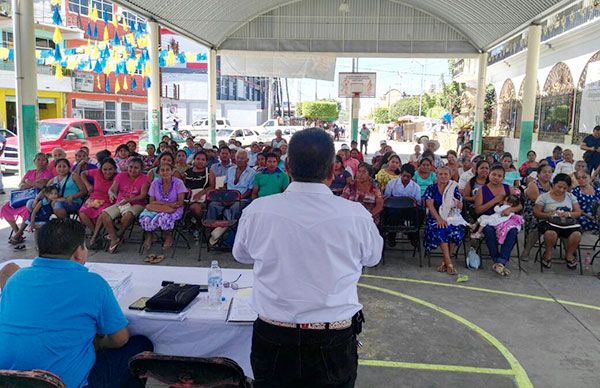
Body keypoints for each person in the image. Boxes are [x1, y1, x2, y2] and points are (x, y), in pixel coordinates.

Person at [233, 128, 382, 387]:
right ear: (332, 171)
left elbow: (242, 255)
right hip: (332, 336)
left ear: (287, 166)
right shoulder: (356, 215)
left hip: (273, 333)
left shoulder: (258, 211)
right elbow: (372, 258)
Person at [0, 219, 153, 387]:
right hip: (64, 384)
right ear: (78, 253)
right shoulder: (93, 283)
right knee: (141, 346)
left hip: (10, 380)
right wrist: (98, 343)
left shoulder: (16, 279)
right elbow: (120, 339)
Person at [474, 165, 522, 276]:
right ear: (489, 174)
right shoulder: (482, 190)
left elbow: (519, 206)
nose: (496, 177)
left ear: (503, 177)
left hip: (505, 220)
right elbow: (478, 210)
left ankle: (500, 262)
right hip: (489, 220)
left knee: (513, 231)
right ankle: (498, 261)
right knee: (489, 231)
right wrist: (494, 201)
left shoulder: (508, 188)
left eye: (499, 176)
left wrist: (511, 209)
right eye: (494, 174)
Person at [99, 158, 149, 254]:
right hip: (121, 203)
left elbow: (142, 195)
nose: (132, 170)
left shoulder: (144, 179)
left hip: (137, 203)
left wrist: (128, 200)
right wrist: (111, 193)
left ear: (141, 169)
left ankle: (119, 234)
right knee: (104, 215)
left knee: (128, 215)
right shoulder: (121, 175)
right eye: (130, 167)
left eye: (136, 168)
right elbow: (112, 189)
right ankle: (114, 238)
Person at [534, 174, 582, 270]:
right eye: (559, 187)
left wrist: (568, 214)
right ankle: (548, 254)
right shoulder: (544, 197)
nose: (561, 190)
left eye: (565, 188)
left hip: (567, 224)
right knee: (551, 233)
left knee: (577, 234)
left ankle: (569, 255)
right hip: (549, 223)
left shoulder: (570, 196)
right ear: (553, 184)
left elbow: (578, 212)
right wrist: (548, 214)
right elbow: (536, 212)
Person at [423, 166, 465, 275]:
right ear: (436, 176)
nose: (443, 176)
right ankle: (449, 263)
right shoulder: (431, 188)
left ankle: (445, 261)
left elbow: (459, 205)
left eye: (445, 174)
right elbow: (430, 206)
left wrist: (459, 204)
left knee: (455, 230)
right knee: (442, 229)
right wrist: (439, 219)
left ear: (450, 176)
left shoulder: (453, 187)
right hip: (434, 217)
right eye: (440, 174)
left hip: (450, 217)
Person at [1, 153, 53, 241]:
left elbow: (43, 187)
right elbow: (21, 185)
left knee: (27, 209)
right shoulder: (30, 172)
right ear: (34, 161)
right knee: (4, 208)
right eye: (38, 159)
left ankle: (18, 234)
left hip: (36, 199)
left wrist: (28, 182)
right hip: (23, 197)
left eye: (43, 160)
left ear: (47, 162)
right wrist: (33, 184)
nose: (41, 162)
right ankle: (17, 231)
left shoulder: (48, 174)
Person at [140, 163, 188, 255]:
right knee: (145, 217)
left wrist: (165, 205)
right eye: (162, 170)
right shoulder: (155, 183)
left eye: (167, 170)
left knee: (164, 217)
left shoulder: (178, 183)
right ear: (158, 172)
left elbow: (180, 203)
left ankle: (168, 236)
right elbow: (151, 202)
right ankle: (149, 236)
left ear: (172, 171)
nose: (165, 172)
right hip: (158, 207)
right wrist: (167, 204)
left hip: (174, 209)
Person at [78, 158, 118, 248]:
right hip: (94, 198)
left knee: (102, 214)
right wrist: (88, 185)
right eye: (105, 169)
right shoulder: (96, 173)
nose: (107, 172)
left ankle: (94, 237)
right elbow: (83, 173)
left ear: (114, 169)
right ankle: (97, 233)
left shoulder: (117, 176)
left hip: (109, 200)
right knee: (82, 212)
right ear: (101, 169)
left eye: (110, 169)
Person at [207, 150, 256, 221]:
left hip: (242, 199)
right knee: (213, 205)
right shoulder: (230, 170)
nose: (239, 160)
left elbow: (249, 190)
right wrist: (223, 195)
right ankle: (210, 227)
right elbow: (225, 185)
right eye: (238, 158)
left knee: (235, 207)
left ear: (247, 160)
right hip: (228, 196)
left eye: (242, 158)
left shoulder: (252, 173)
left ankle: (231, 229)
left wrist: (236, 198)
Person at [522, 164, 553, 259]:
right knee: (537, 223)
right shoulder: (533, 184)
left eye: (549, 172)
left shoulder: (553, 185)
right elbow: (538, 202)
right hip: (533, 211)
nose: (547, 174)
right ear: (538, 174)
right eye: (544, 172)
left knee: (565, 223)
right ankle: (526, 251)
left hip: (549, 211)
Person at [185, 151, 214, 225]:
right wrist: (186, 190)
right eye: (198, 159)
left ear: (206, 162)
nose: (200, 161)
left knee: (195, 208)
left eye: (203, 159)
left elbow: (212, 187)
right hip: (188, 198)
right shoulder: (187, 172)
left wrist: (201, 193)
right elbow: (182, 185)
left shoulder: (209, 172)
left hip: (202, 199)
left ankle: (199, 225)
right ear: (194, 160)